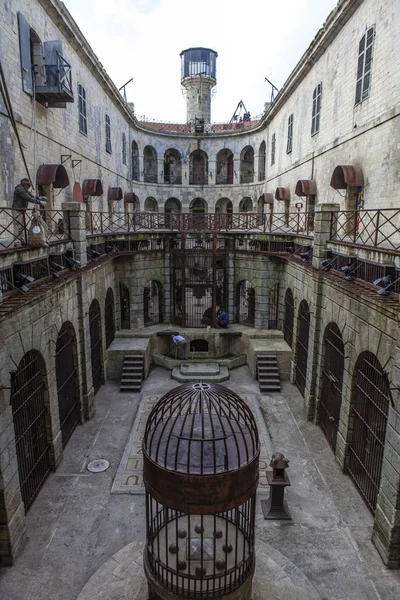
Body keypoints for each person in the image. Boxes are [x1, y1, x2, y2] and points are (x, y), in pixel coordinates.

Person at [12, 178, 46, 245]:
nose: (29, 187)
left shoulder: (24, 189)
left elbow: (31, 196)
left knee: (22, 226)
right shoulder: (20, 189)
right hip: (16, 209)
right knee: (17, 226)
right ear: (24, 184)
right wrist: (39, 202)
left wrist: (39, 198)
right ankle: (16, 242)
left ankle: (21, 240)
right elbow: (28, 198)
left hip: (21, 210)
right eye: (28, 185)